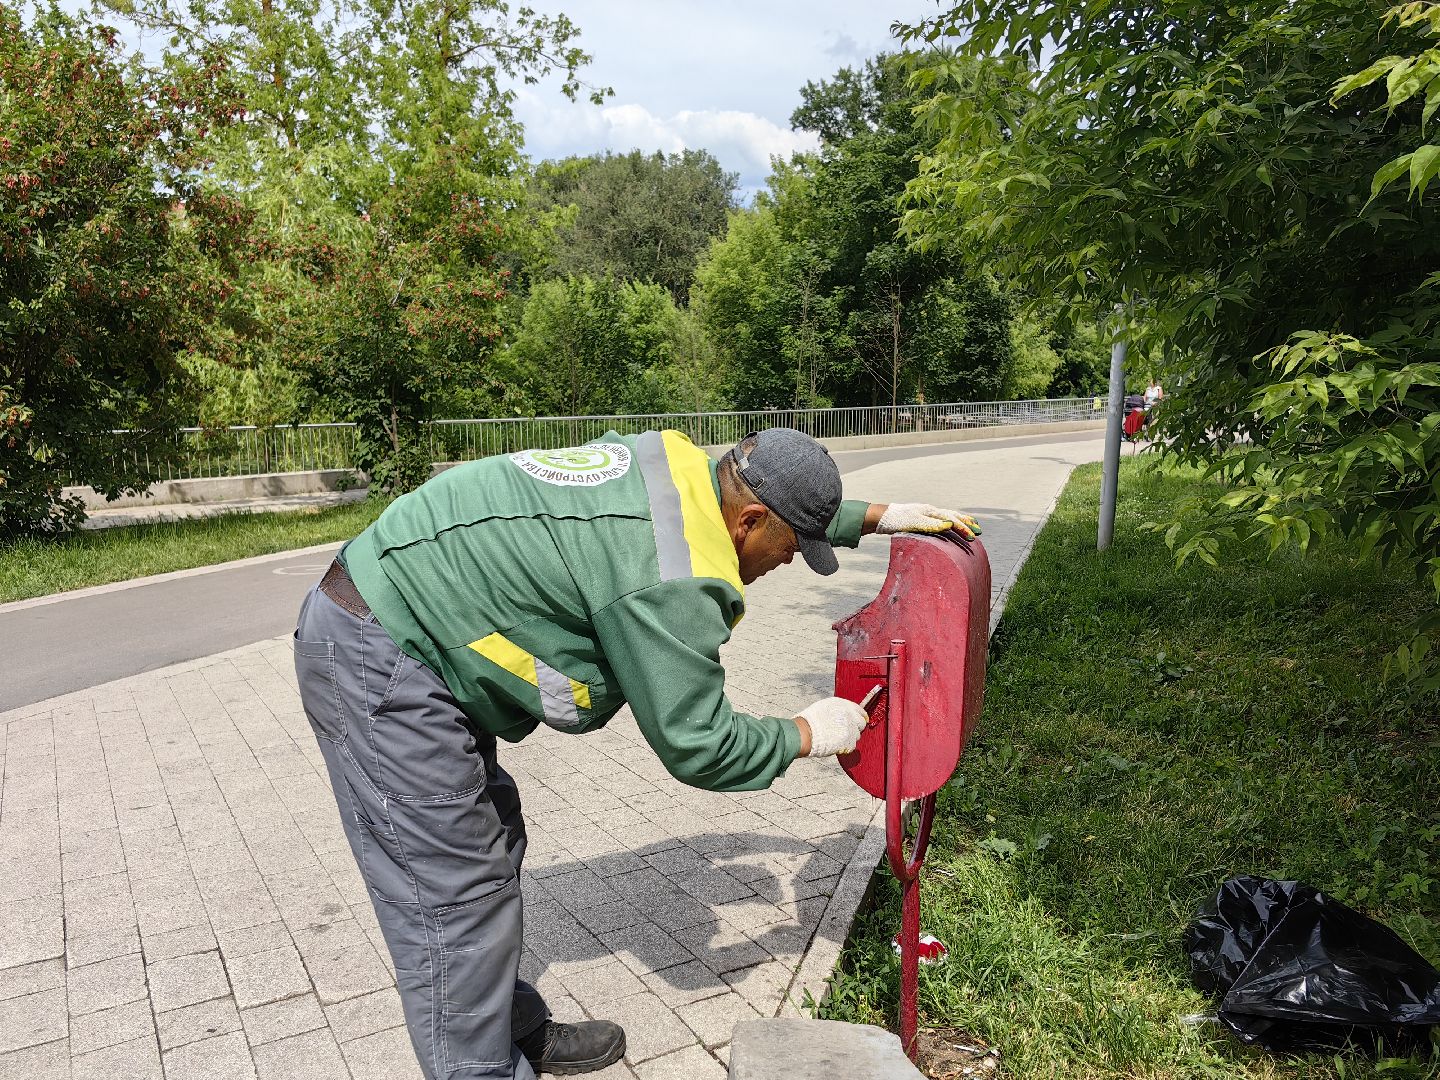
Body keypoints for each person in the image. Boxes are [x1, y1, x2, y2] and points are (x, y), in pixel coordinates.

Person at [292, 427, 981, 1079]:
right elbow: (699, 744)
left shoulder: (684, 468)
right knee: (453, 896)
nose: (788, 562)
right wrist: (807, 732)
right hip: (381, 653)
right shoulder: (669, 577)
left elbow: (768, 495)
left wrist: (877, 517)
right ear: (749, 522)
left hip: (415, 610)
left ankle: (506, 1027)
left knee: (493, 835)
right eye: (791, 547)